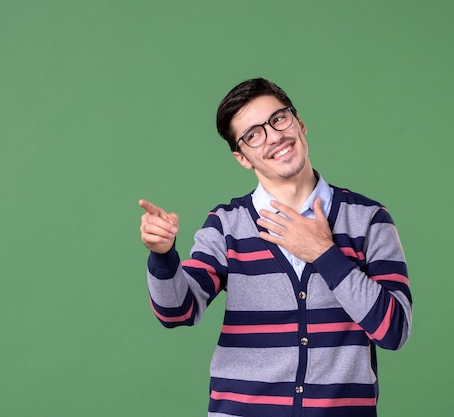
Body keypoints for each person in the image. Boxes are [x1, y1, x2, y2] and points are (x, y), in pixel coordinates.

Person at [138, 78, 412, 417]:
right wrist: (163, 256)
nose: (274, 136)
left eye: (278, 119)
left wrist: (324, 254)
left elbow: (394, 330)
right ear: (242, 157)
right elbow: (177, 311)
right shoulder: (227, 225)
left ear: (299, 122)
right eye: (253, 134)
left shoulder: (369, 219)